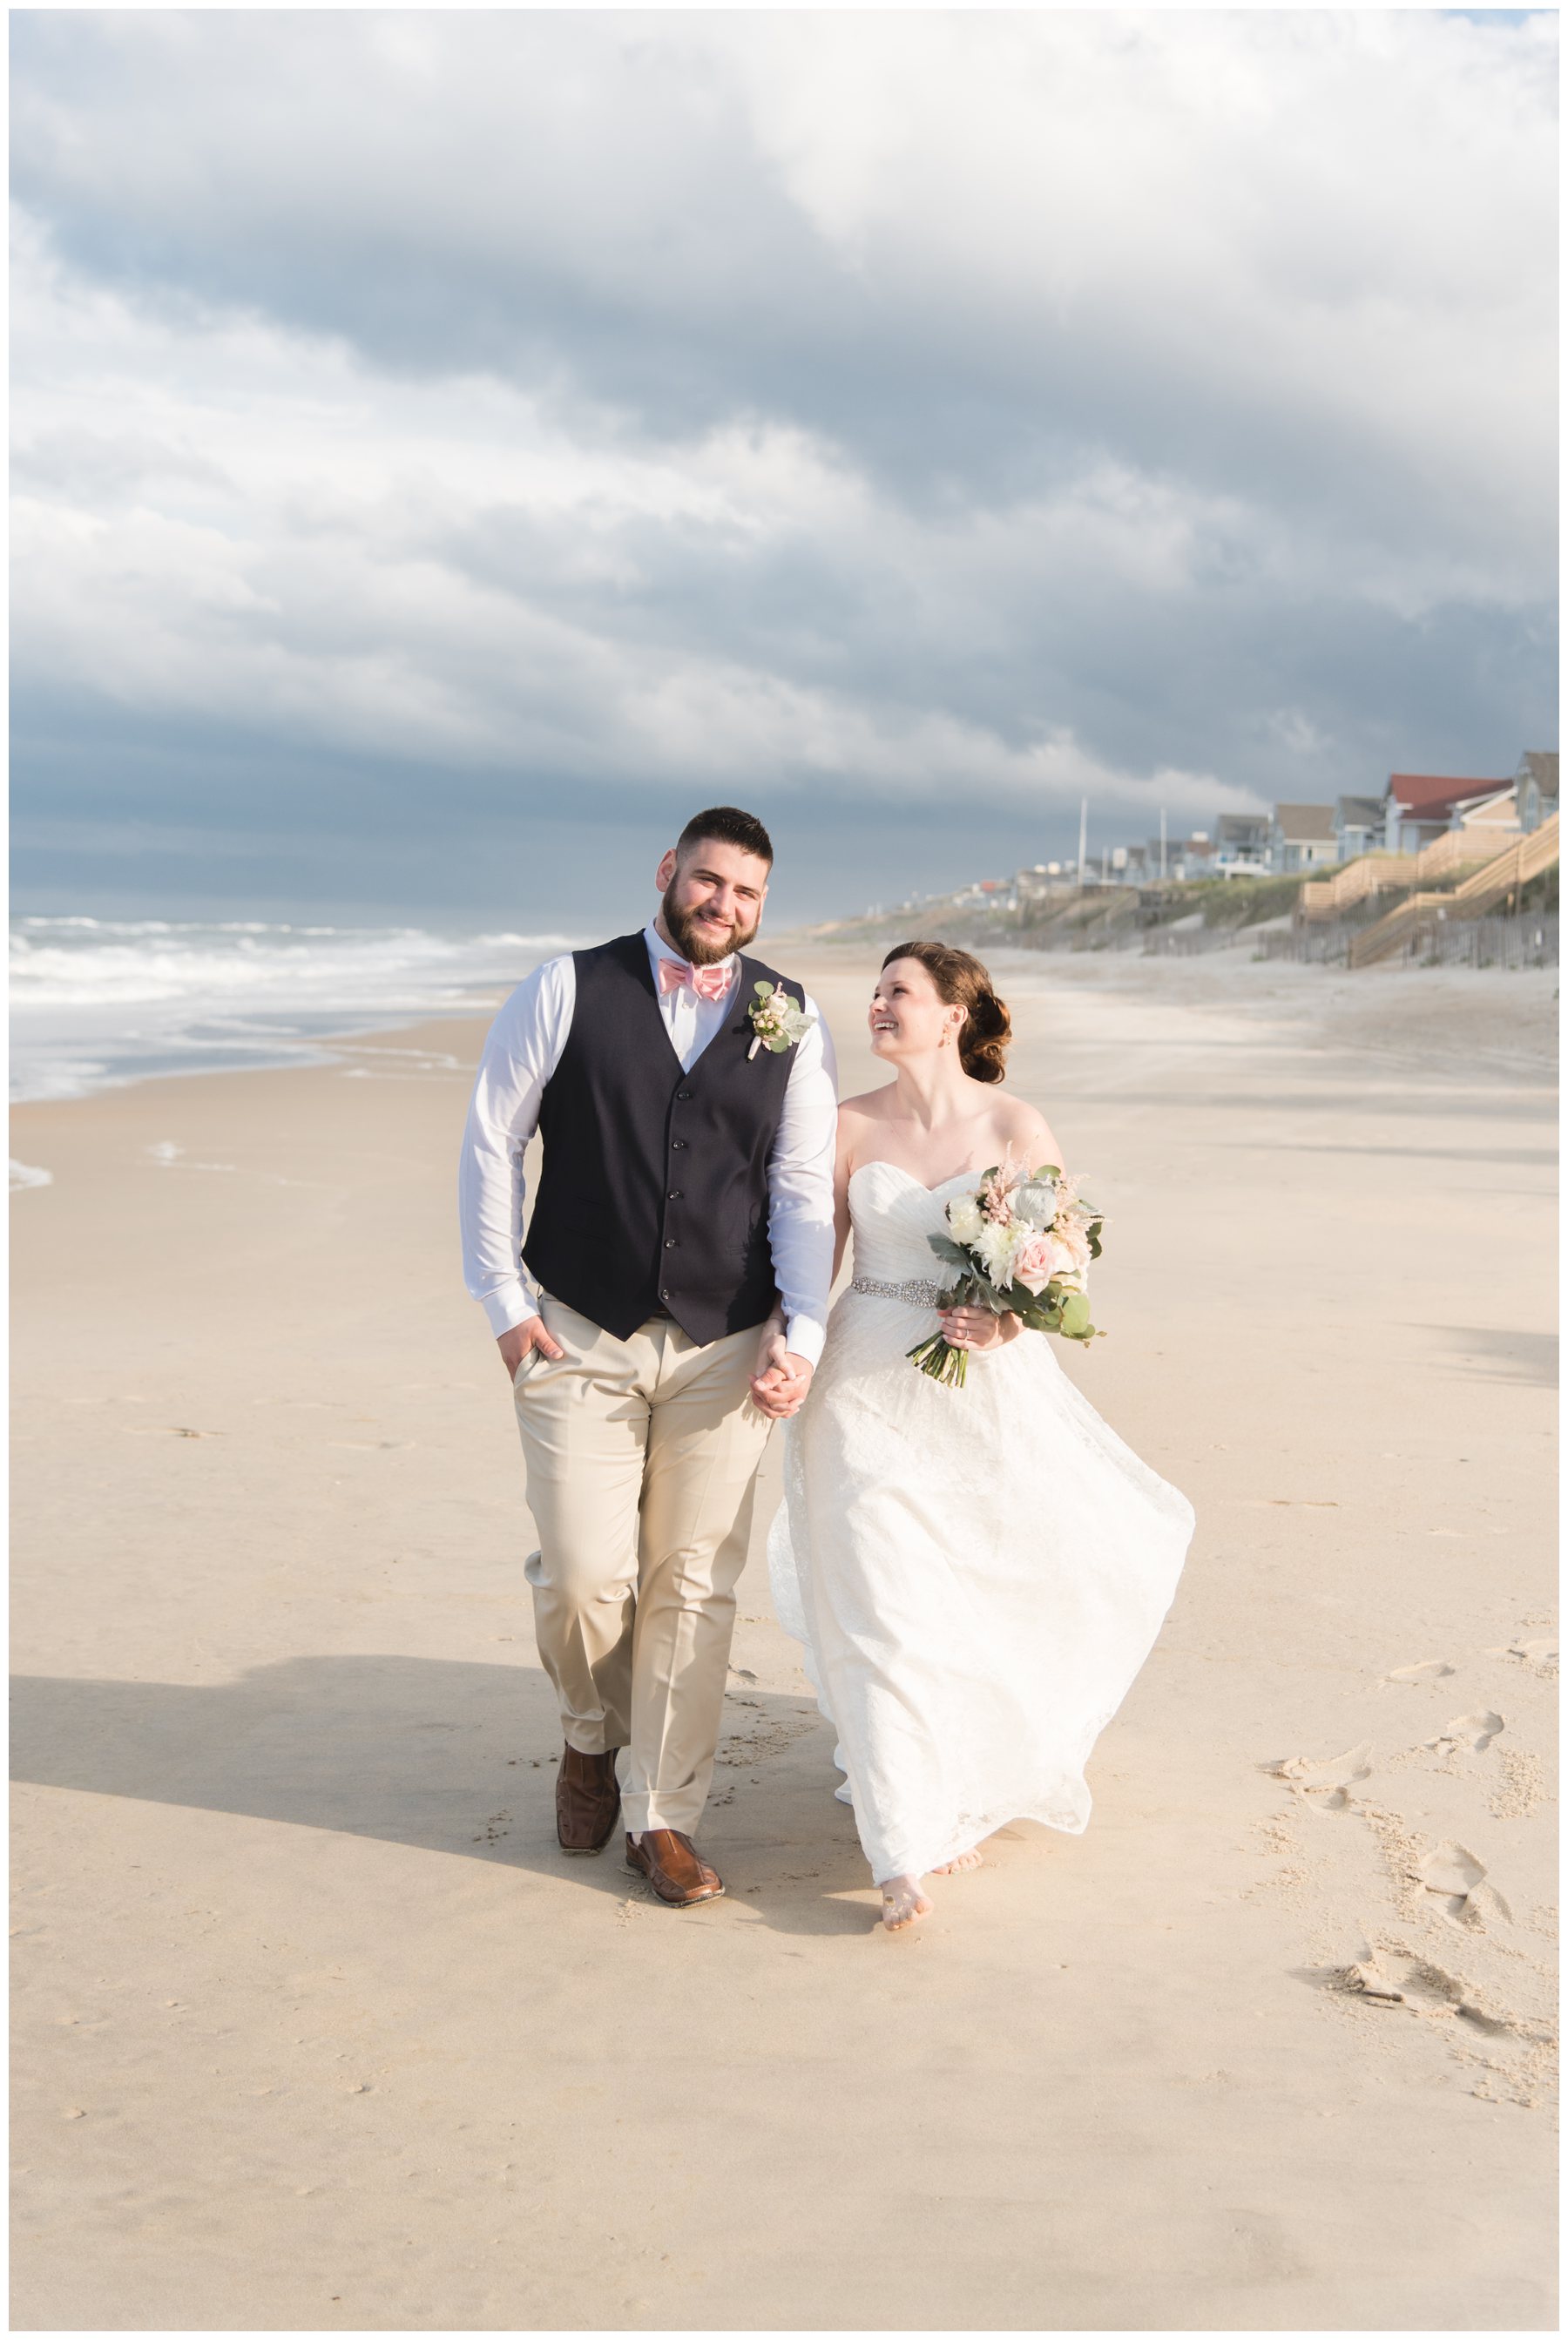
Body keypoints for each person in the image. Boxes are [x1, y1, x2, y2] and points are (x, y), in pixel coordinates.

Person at [767, 940, 1193, 1932]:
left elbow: (1064, 1272)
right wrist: (788, 1354)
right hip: (863, 1385)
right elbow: (809, 1268)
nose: (877, 1005)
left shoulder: (1012, 1124)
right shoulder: (843, 1128)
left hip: (976, 1390)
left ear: (953, 1013)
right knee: (879, 1599)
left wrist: (1002, 1318)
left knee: (958, 1590)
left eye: (899, 993)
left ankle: (953, 1772)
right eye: (873, 992)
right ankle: (902, 1847)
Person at [460, 808, 836, 1908]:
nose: (726, 906)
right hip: (577, 1326)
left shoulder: (791, 1017)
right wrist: (502, 1298)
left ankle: (658, 1812)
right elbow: (495, 1136)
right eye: (710, 882)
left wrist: (801, 1329)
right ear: (669, 871)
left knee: (692, 1584)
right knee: (585, 1576)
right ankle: (590, 1730)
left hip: (728, 1340)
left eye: (749, 894)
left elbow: (804, 1187)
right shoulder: (566, 987)